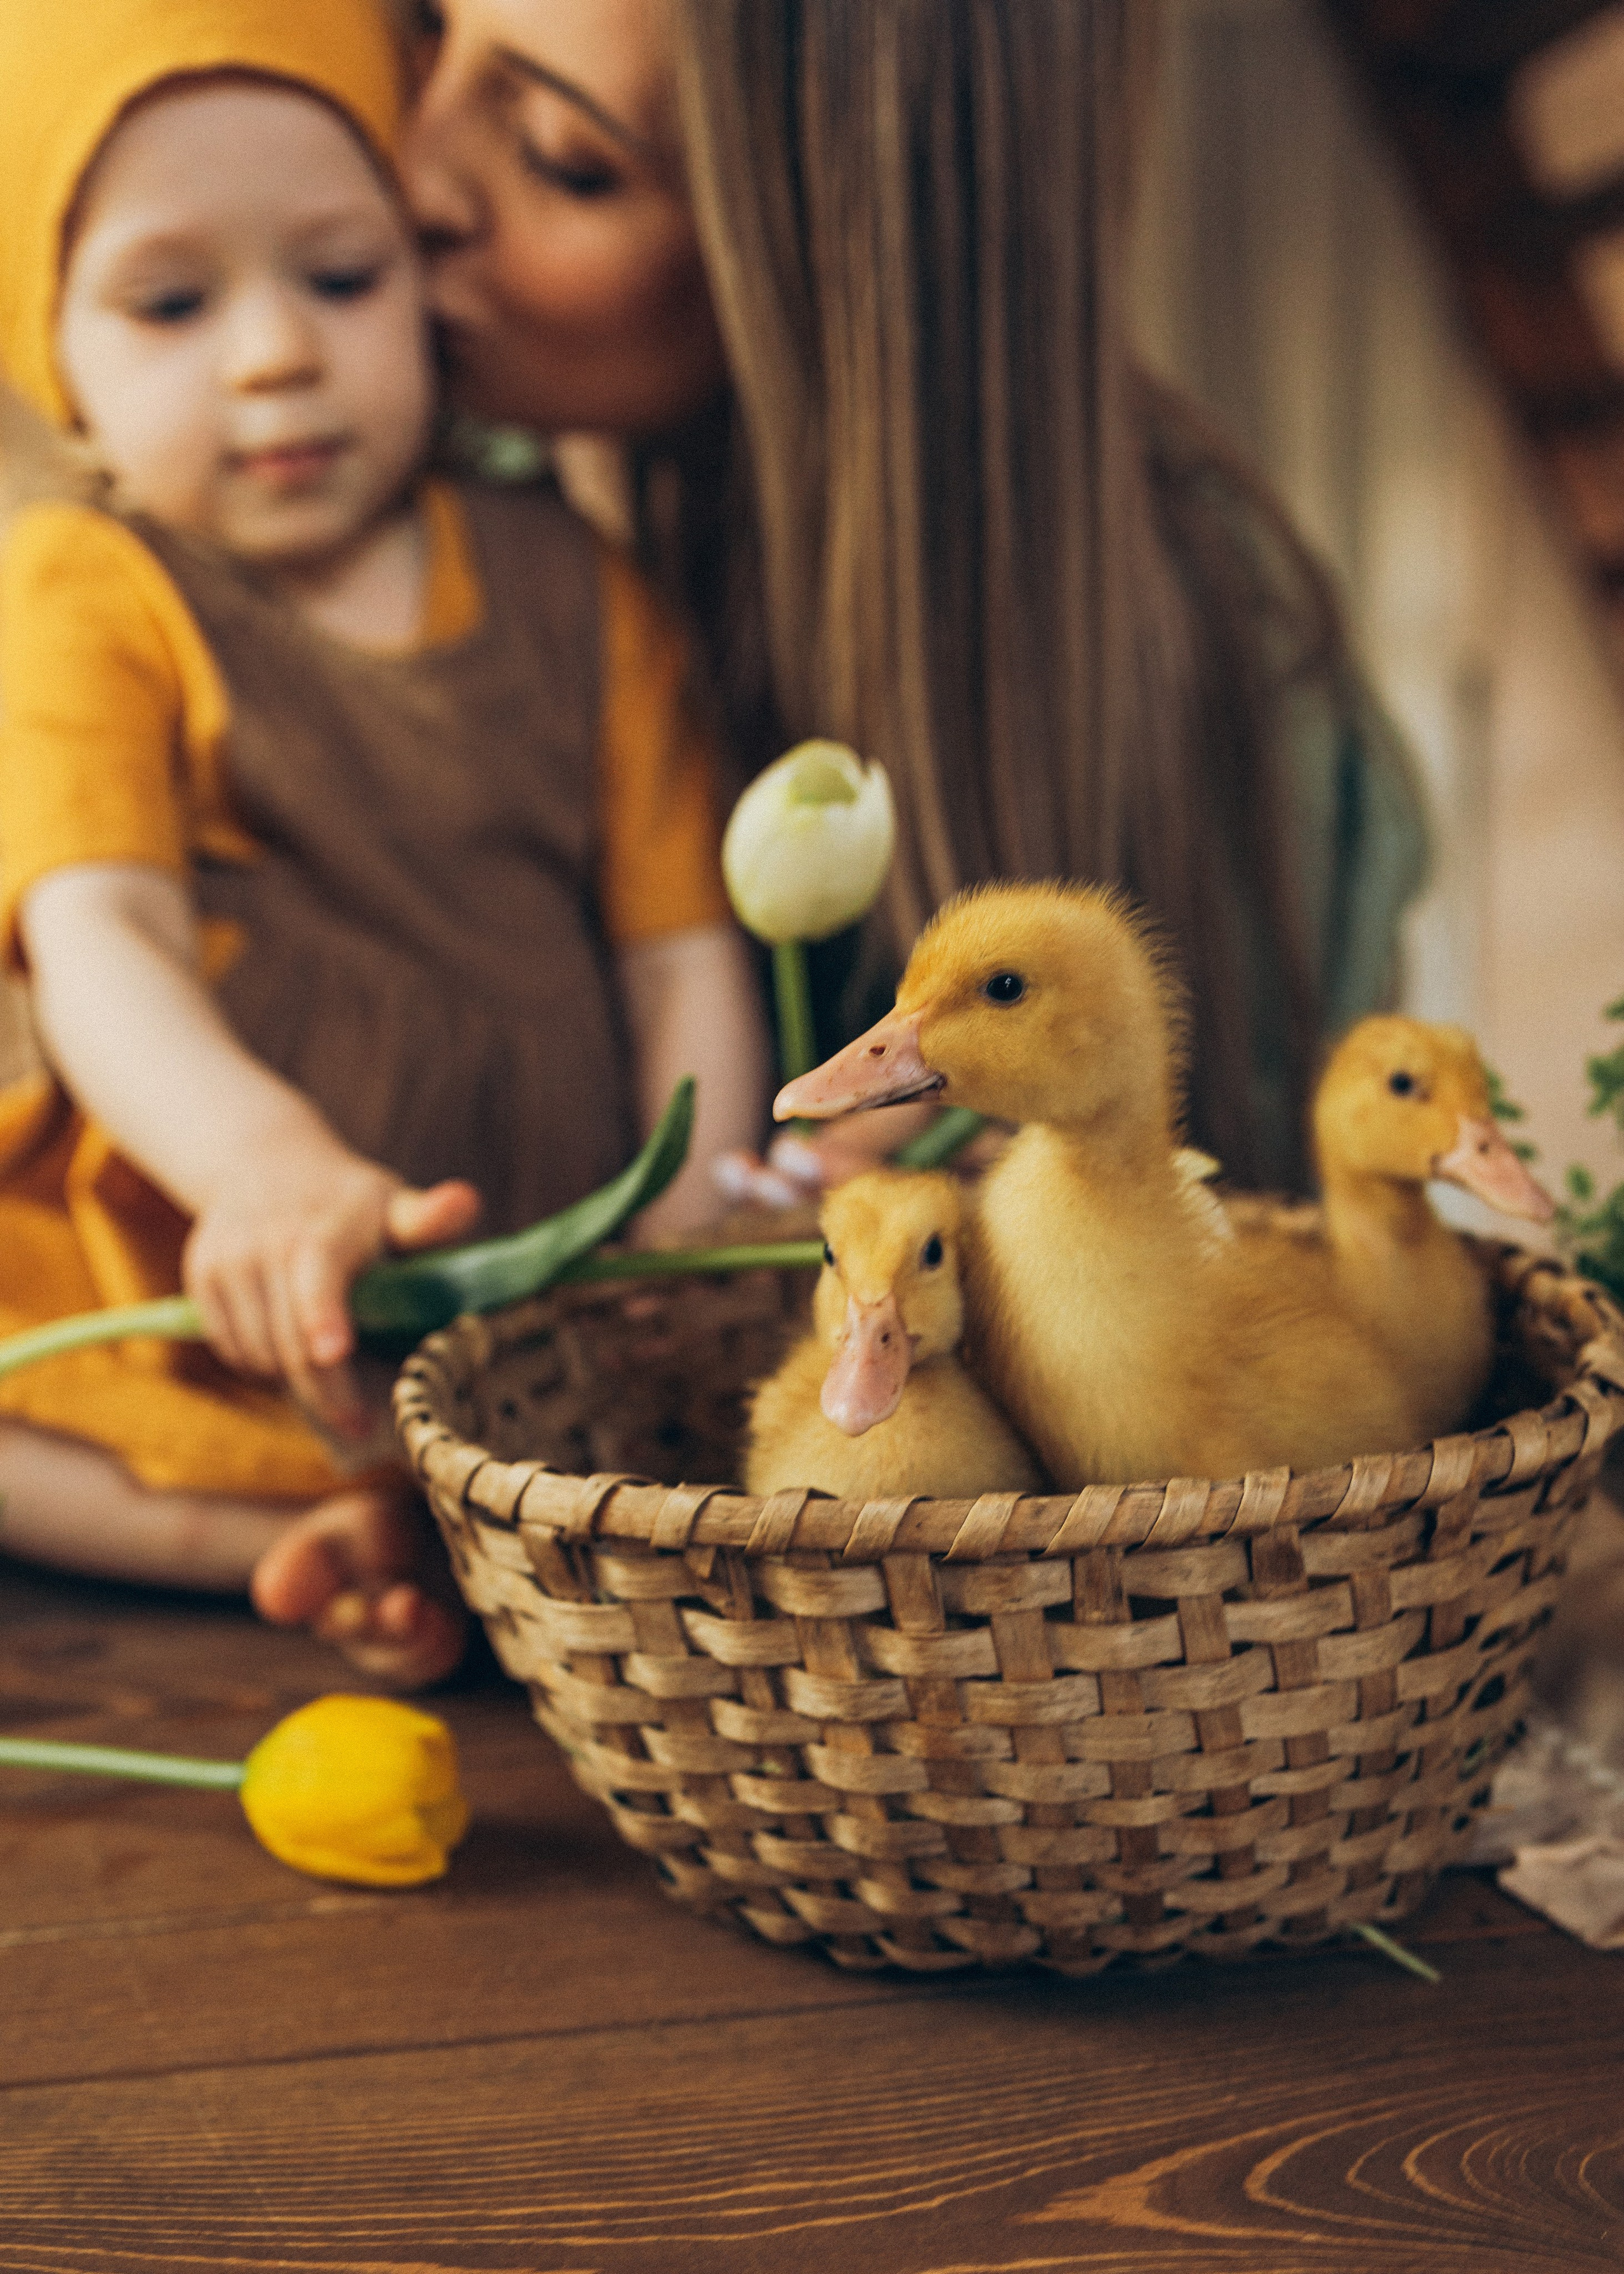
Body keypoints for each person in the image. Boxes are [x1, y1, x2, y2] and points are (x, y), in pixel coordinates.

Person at [0, 0, 768, 1683]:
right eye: (172, 302)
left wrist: (691, 1212)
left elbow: (682, 955)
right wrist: (260, 1163)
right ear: (55, 347)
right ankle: (290, 1530)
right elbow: (98, 938)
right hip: (228, 1270)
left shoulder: (581, 589)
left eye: (341, 278)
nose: (272, 352)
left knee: (623, 1433)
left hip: (520, 1255)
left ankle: (451, 1507)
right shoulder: (87, 590)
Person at [403, 0, 1429, 1198]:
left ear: (846, 257)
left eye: (561, 157)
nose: (409, 170)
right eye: (418, 29)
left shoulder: (1241, 708)